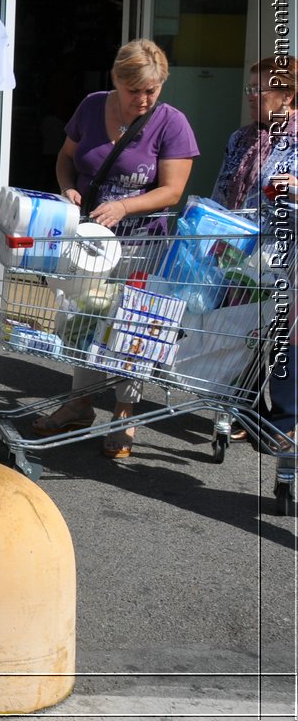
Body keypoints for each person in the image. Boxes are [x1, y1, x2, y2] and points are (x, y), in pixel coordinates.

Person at [31, 38, 199, 456]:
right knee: (82, 319)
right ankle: (79, 403)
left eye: (152, 90)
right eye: (134, 90)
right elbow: (66, 157)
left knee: (131, 328)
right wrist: (68, 188)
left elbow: (172, 191)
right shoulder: (91, 106)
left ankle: (125, 414)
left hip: (142, 243)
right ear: (116, 81)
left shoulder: (171, 122)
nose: (143, 99)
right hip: (90, 242)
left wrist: (124, 205)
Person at [209, 56, 297, 441]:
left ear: (287, 96)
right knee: (241, 329)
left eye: (259, 90)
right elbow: (222, 187)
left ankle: (283, 422)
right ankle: (241, 409)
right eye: (250, 88)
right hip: (239, 250)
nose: (250, 97)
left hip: (285, 253)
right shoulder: (241, 138)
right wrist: (209, 232)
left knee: (278, 335)